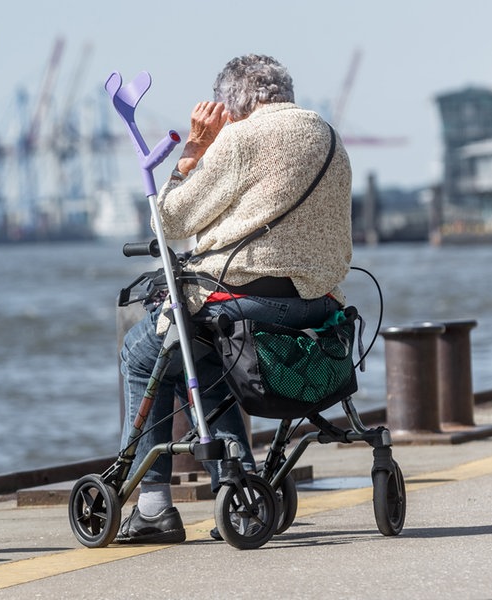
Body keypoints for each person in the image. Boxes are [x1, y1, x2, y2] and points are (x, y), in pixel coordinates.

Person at [115, 54, 353, 544]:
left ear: (232, 104)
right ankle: (237, 480)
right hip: (318, 303)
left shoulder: (240, 139)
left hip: (243, 303)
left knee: (145, 354)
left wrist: (195, 150)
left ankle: (155, 505)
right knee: (198, 357)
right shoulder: (329, 136)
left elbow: (171, 222)